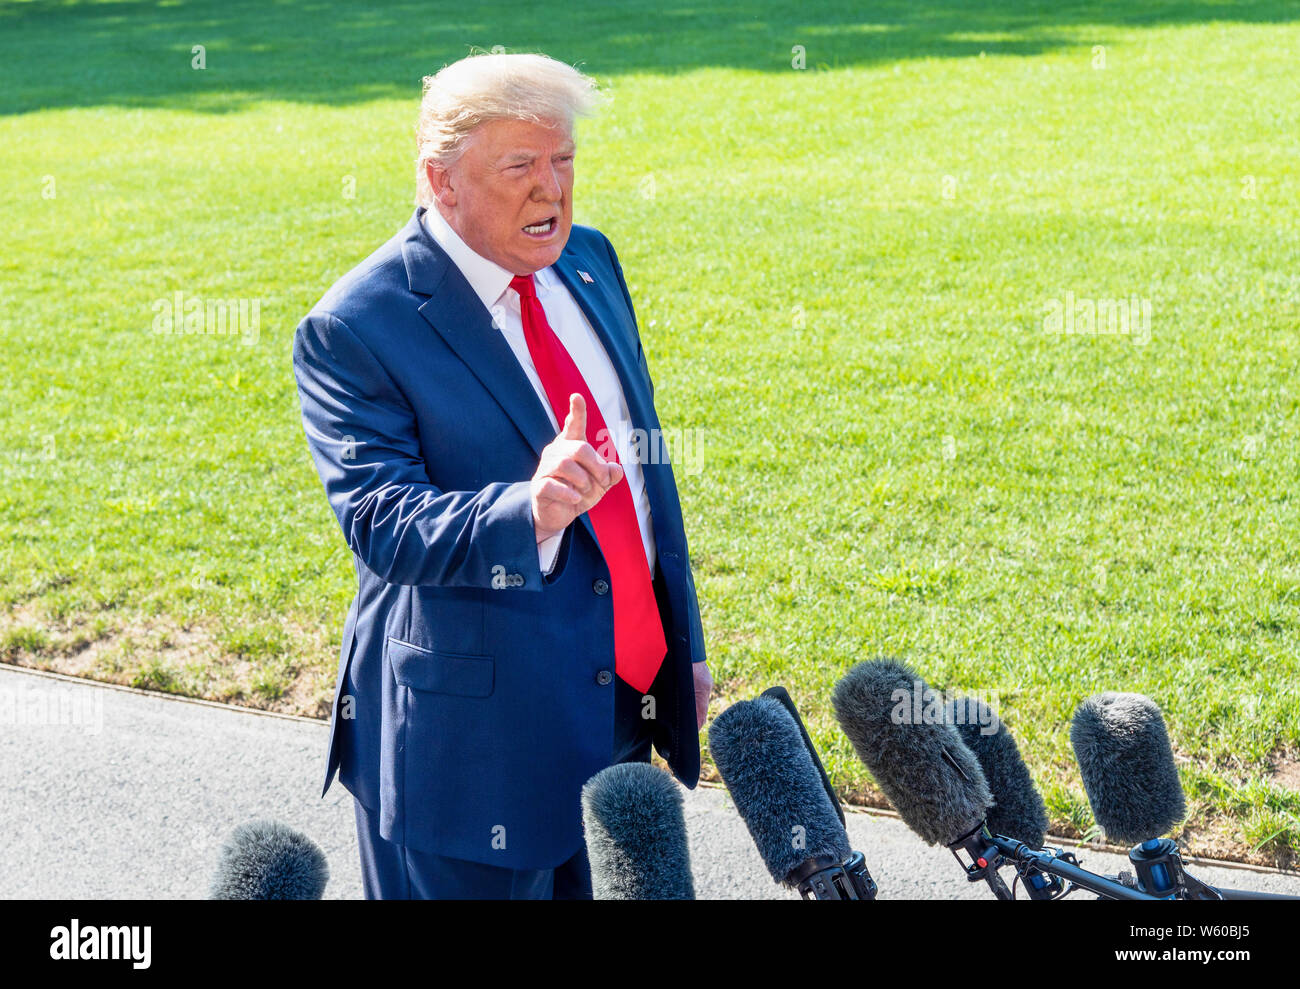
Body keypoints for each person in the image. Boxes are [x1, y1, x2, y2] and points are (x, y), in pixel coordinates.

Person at [292, 51, 711, 899]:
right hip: (470, 753)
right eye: (519, 165)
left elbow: (644, 477)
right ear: (439, 181)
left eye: (563, 161)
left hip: (617, 713)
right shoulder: (356, 326)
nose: (550, 191)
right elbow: (382, 522)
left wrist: (679, 647)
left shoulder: (590, 263)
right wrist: (530, 509)